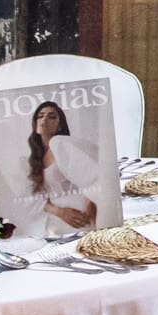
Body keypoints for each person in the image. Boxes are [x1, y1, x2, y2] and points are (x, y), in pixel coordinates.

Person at [28, 99, 97, 233]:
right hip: (58, 222)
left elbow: (90, 175)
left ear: (59, 125)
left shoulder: (60, 144)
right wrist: (60, 212)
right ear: (35, 123)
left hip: (82, 217)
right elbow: (36, 199)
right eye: (40, 116)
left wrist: (92, 202)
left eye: (52, 117)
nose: (44, 119)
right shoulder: (35, 158)